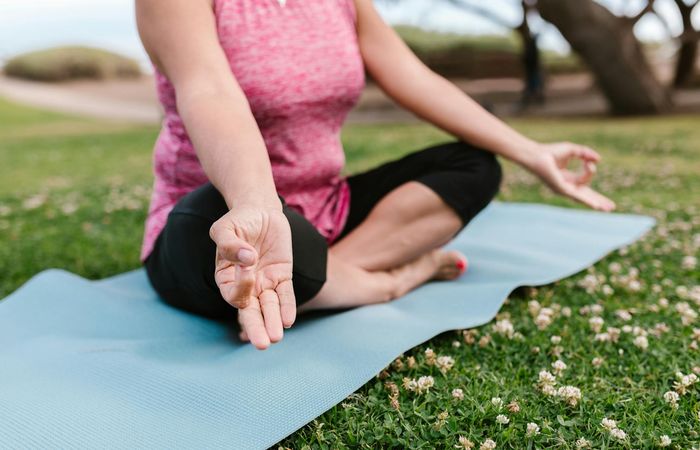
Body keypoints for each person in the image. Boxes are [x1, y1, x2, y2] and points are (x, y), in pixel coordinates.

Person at [135, 0, 615, 351]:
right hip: (222, 219)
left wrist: (532, 153)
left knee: (473, 165)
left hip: (327, 213)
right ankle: (380, 283)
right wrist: (257, 204)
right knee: (216, 225)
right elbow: (210, 89)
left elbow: (413, 76)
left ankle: (317, 278)